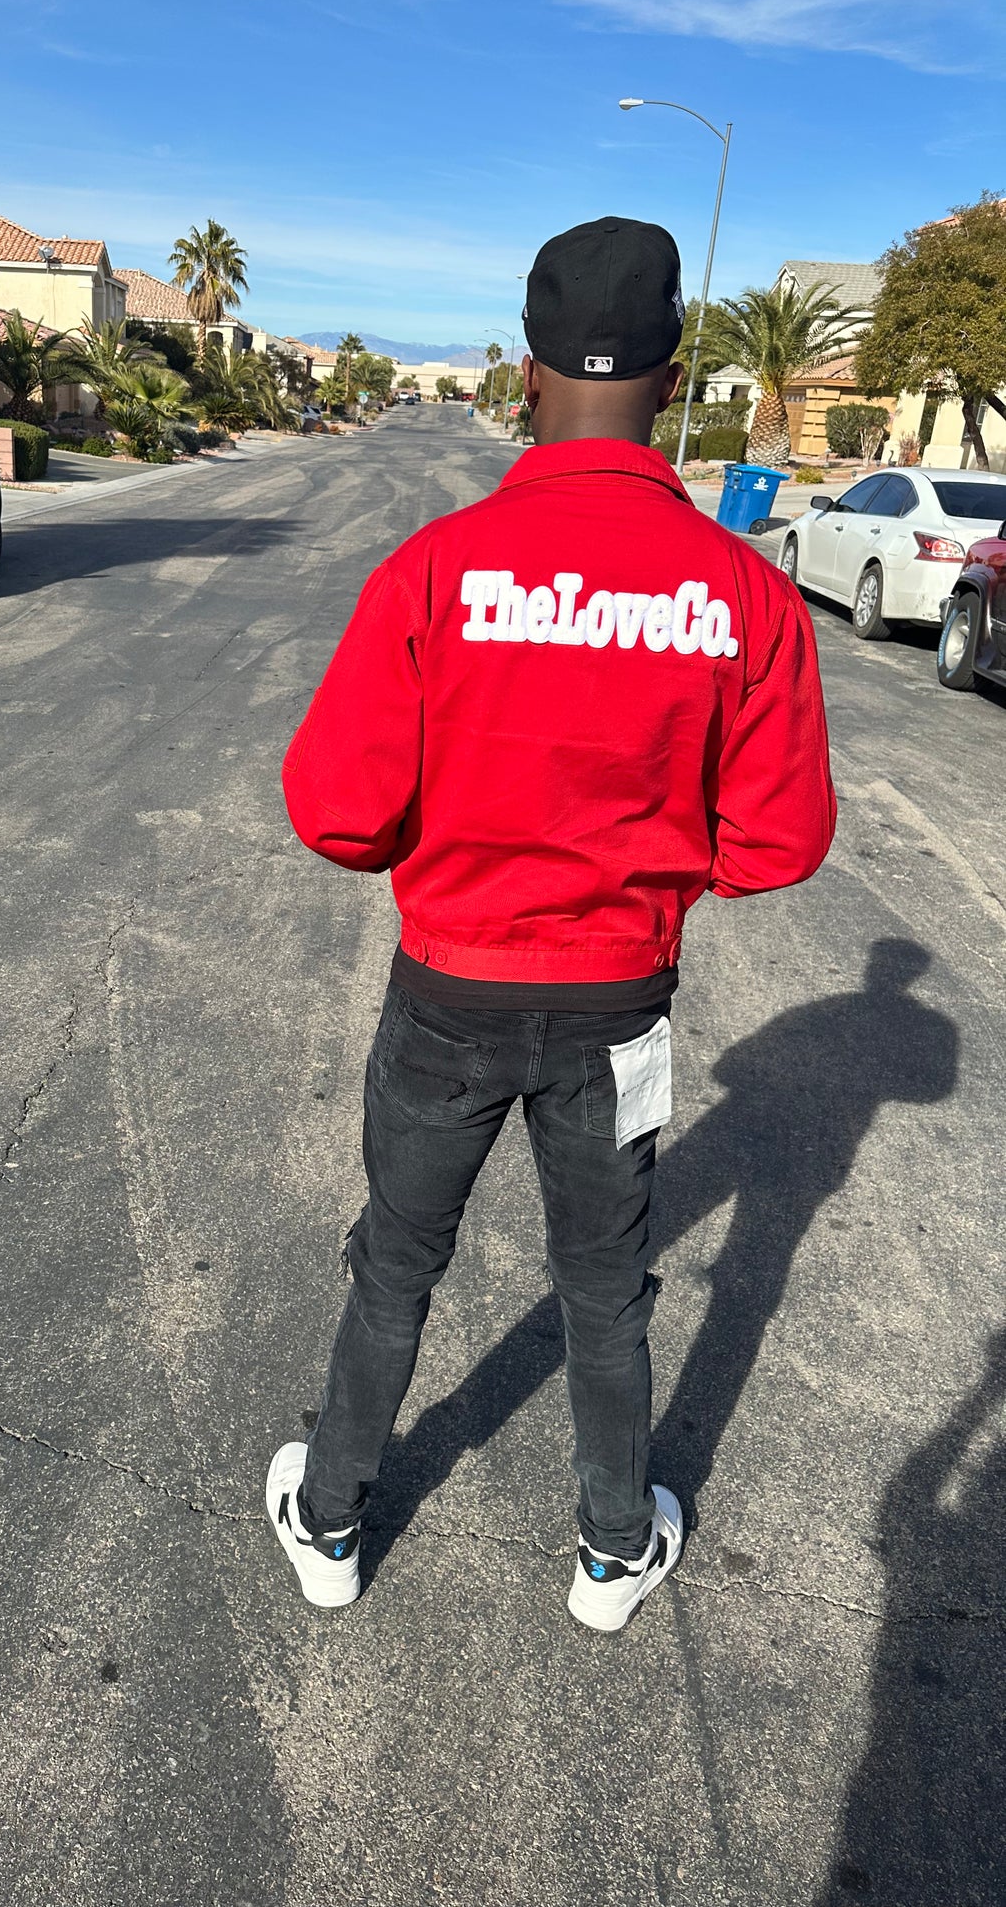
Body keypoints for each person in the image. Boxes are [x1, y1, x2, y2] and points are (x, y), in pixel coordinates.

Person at [267, 216, 836, 1631]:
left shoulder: (439, 570)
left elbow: (335, 812)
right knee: (603, 1281)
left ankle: (331, 1520)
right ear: (676, 372)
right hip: (617, 1004)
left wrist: (449, 837)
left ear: (525, 371)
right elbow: (779, 839)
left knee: (396, 1258)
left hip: (446, 989)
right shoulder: (745, 597)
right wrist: (654, 867)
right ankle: (603, 1548)